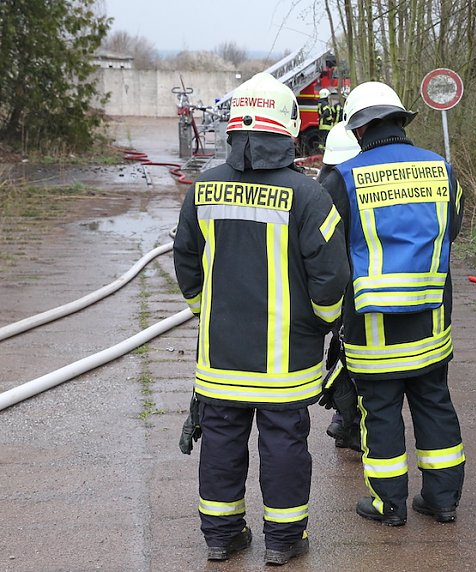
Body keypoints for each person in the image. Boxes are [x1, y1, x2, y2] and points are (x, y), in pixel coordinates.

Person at [173, 72, 350, 566]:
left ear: (234, 130)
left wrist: (202, 310)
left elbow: (185, 255)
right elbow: (330, 274)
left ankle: (222, 536)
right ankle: (283, 541)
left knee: (222, 442)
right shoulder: (310, 195)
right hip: (285, 357)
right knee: (284, 447)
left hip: (221, 352)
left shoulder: (204, 187)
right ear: (288, 130)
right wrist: (323, 322)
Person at [321, 81, 466, 527]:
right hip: (431, 321)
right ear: (401, 121)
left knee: (380, 411)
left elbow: (328, 248)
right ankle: (442, 501)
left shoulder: (342, 179)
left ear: (359, 130)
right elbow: (454, 228)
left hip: (372, 328)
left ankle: (390, 505)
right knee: (434, 404)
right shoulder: (442, 170)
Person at [316, 120, 362, 451]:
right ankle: (347, 419)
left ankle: (347, 420)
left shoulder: (328, 183)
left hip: (345, 288)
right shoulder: (358, 178)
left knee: (344, 350)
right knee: (350, 356)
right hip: (362, 286)